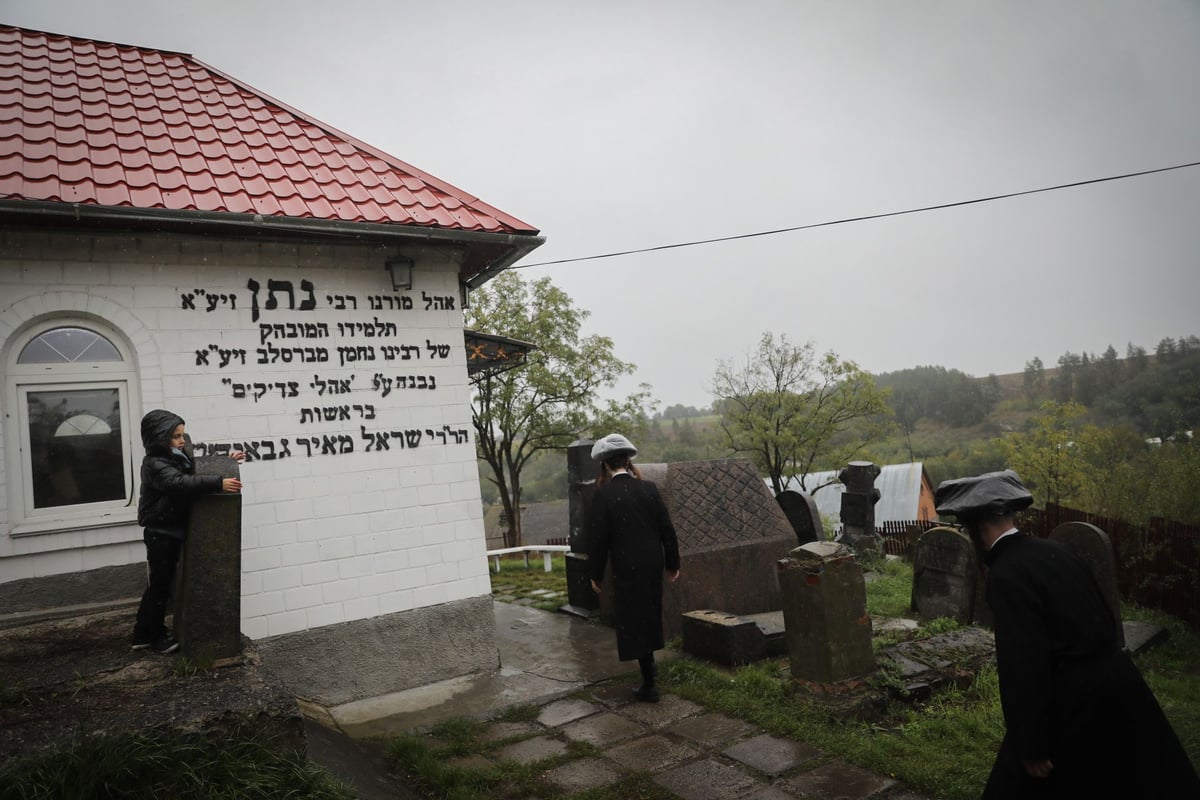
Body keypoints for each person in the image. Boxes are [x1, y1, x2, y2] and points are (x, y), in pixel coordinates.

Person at [935, 469, 1199, 799]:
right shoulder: (1058, 550)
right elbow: (1102, 616)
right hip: (1122, 685)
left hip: (1071, 701)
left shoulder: (1005, 573)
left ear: (975, 526)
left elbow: (1024, 663)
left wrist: (1031, 743)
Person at [131, 410, 243, 654]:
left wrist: (227, 460)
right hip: (160, 532)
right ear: (159, 438)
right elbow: (178, 483)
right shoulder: (154, 464)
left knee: (159, 585)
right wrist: (218, 482)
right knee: (160, 587)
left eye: (182, 435)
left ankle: (141, 633)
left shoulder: (174, 456)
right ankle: (155, 637)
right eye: (175, 436)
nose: (182, 440)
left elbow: (193, 468)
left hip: (168, 529)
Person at [587, 433, 680, 702]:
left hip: (626, 567)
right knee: (649, 614)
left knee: (633, 620)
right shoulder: (649, 489)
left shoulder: (604, 496)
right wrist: (673, 563)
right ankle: (650, 675)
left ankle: (649, 684)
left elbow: (598, 540)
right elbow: (667, 530)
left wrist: (595, 574)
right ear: (627, 461)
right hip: (652, 564)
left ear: (605, 465)